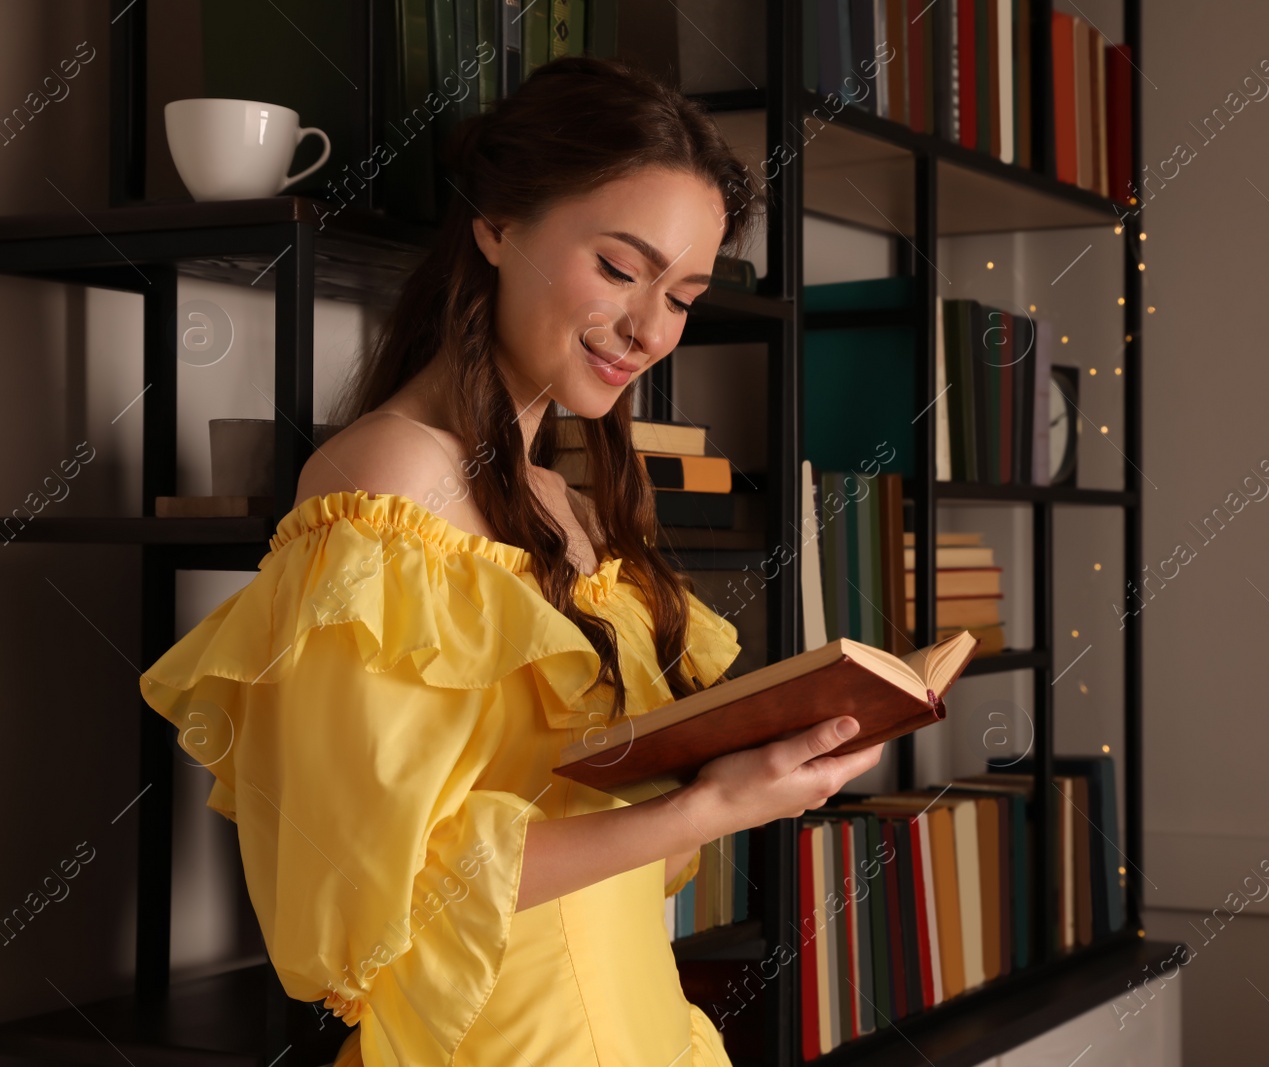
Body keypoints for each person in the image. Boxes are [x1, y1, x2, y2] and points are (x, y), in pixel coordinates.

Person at [138, 56, 884, 1067]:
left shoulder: (565, 505)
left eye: (684, 294)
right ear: (495, 223)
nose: (650, 329)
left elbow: (609, 837)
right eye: (621, 270)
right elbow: (393, 886)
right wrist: (716, 803)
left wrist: (747, 765)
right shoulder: (386, 487)